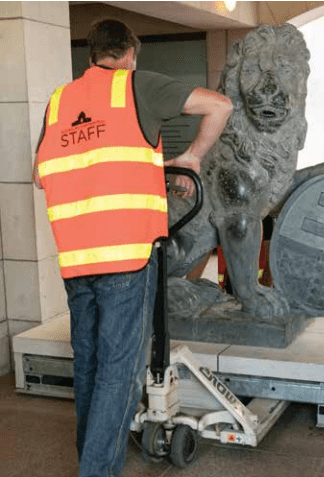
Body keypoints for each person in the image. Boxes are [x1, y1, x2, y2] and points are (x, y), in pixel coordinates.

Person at [33, 19, 232, 477]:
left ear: (90, 56)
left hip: (76, 259)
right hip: (125, 254)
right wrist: (190, 157)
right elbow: (219, 106)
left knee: (90, 362)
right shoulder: (135, 85)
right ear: (130, 54)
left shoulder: (59, 101)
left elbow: (42, 175)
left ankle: (91, 457)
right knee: (119, 372)